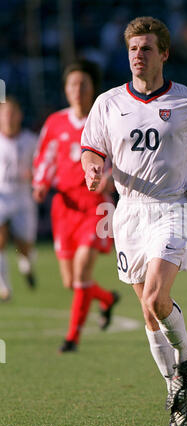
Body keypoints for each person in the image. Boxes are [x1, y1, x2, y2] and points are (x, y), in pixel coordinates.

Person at [81, 17, 187, 426]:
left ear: (164, 53)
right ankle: (175, 389)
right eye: (132, 49)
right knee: (148, 315)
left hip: (173, 207)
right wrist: (93, 171)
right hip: (128, 212)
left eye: (146, 48)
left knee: (157, 299)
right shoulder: (109, 103)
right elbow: (91, 149)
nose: (138, 56)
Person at [33, 60, 119, 353]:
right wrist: (41, 183)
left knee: (82, 272)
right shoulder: (55, 122)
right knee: (71, 281)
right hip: (64, 205)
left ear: (93, 88)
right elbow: (45, 157)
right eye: (72, 84)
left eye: (83, 84)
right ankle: (106, 299)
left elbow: (120, 157)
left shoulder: (107, 119)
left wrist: (110, 178)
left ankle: (72, 339)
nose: (78, 90)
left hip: (95, 204)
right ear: (66, 89)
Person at [0, 96, 38, 301]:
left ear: (20, 116)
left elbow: (40, 166)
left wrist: (34, 175)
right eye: (5, 113)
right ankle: (4, 288)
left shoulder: (30, 140)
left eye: (13, 113)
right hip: (2, 196)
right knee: (1, 240)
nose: (9, 118)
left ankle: (27, 265)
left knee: (25, 246)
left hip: (23, 198)